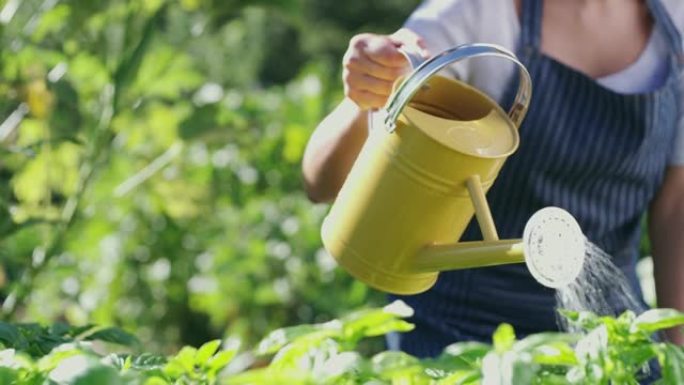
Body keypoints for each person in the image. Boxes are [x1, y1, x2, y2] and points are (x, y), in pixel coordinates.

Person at [302, 0, 684, 357]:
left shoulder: (676, 23)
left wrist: (677, 356)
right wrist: (368, 95)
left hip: (607, 338)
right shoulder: (479, 14)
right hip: (459, 341)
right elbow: (321, 182)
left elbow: (676, 208)